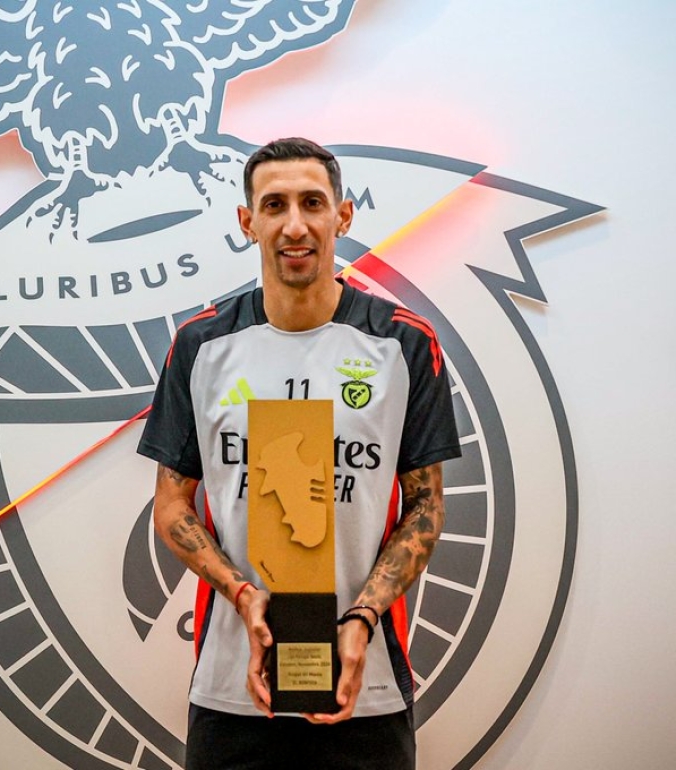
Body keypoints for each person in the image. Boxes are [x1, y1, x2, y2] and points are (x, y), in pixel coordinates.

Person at [137, 137, 461, 770]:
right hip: (232, 687)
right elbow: (172, 505)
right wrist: (241, 594)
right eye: (274, 204)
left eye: (313, 203)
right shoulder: (201, 345)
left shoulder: (403, 344)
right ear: (246, 221)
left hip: (366, 685)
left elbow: (426, 506)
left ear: (342, 215)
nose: (294, 225)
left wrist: (363, 615)